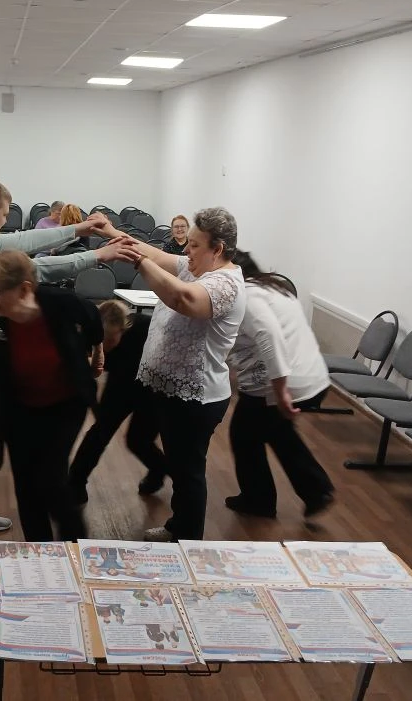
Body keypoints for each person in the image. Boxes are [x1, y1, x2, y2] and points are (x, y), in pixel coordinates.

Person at [0, 178, 126, 564]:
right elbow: (34, 268)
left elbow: (23, 242)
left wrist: (78, 229)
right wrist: (97, 256)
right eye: (4, 214)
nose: (6, 222)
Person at [103, 207, 246, 543]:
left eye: (194, 245)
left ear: (217, 249)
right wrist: (111, 232)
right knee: (180, 467)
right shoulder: (198, 267)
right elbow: (156, 254)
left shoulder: (225, 283)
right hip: (170, 390)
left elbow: (182, 299)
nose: (186, 250)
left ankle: (187, 538)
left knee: (188, 473)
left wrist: (139, 262)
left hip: (195, 397)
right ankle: (180, 528)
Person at [0, 251, 102, 542]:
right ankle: (40, 551)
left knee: (51, 478)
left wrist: (98, 352)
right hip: (17, 410)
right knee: (25, 486)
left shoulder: (62, 303)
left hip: (65, 406)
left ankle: (74, 546)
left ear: (24, 289)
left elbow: (93, 318)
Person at [225, 251, 335, 519]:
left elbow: (268, 335)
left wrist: (280, 389)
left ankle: (260, 500)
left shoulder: (248, 296)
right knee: (276, 431)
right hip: (313, 377)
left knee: (244, 434)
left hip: (283, 383)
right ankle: (316, 490)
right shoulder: (274, 287)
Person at [67, 300, 164, 503]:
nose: (105, 346)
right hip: (120, 385)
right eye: (101, 342)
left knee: (138, 441)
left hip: (152, 389)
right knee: (99, 433)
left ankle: (160, 470)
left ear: (123, 328)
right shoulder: (92, 333)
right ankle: (75, 483)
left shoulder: (147, 328)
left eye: (110, 340)